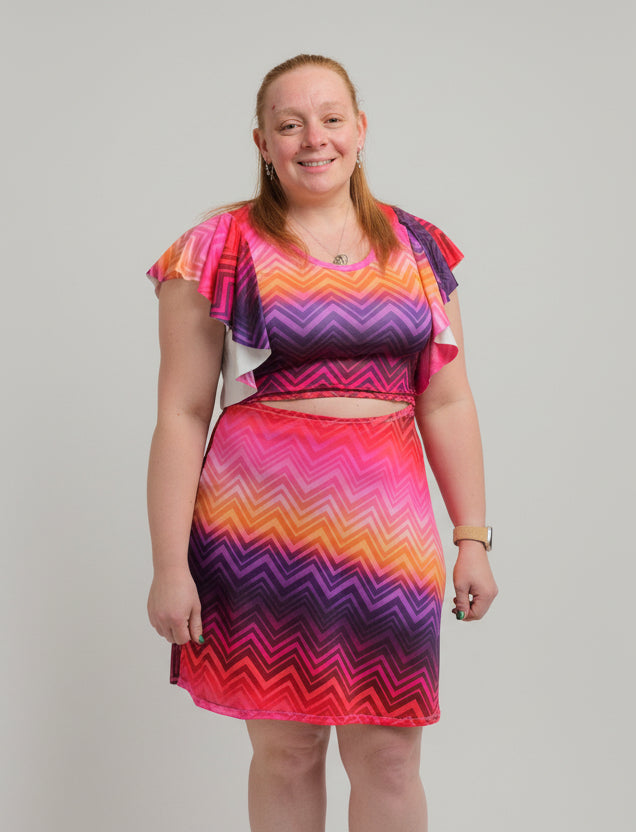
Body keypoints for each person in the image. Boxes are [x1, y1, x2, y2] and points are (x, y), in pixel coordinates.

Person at [145, 53, 498, 832]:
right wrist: (170, 567)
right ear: (262, 141)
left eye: (332, 118)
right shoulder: (218, 247)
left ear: (361, 130)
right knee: (287, 754)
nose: (314, 138)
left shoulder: (416, 246)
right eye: (290, 123)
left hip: (387, 529)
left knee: (392, 758)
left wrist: (473, 536)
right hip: (259, 530)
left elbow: (445, 398)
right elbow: (179, 414)